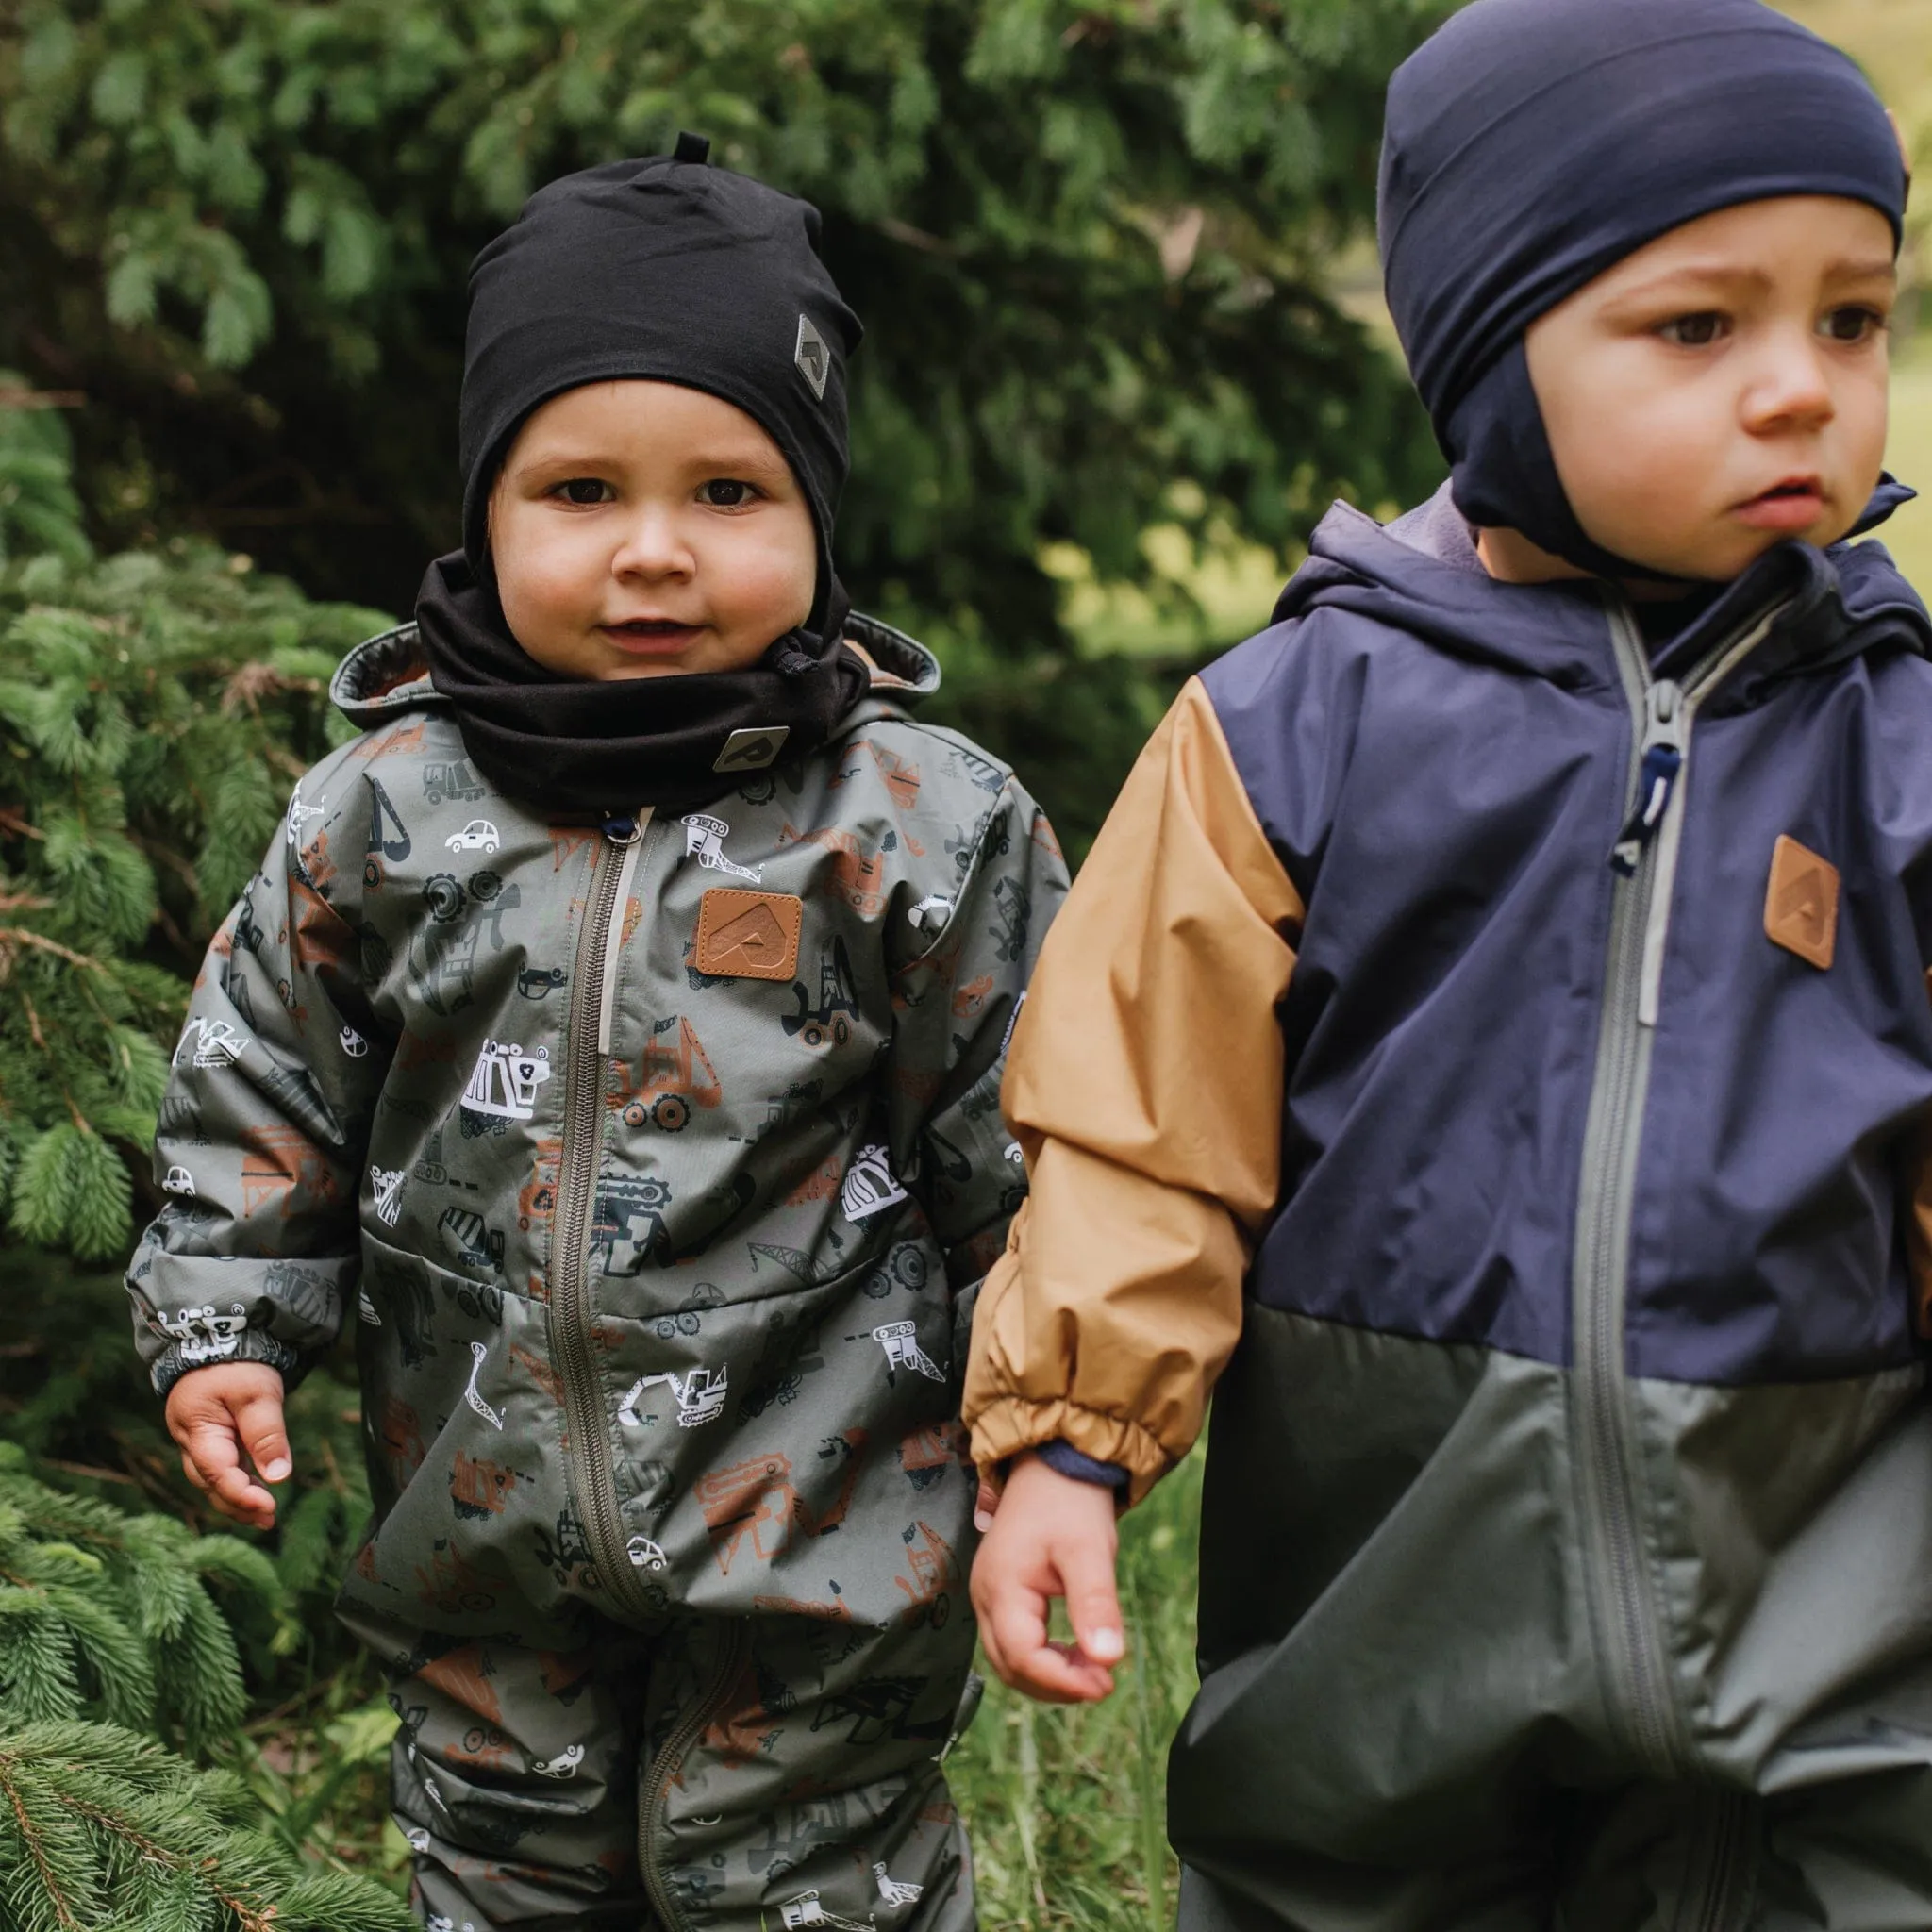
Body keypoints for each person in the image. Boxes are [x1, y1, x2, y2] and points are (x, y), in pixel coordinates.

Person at [964, 0, 1932, 1922]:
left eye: (1849, 318)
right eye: (1696, 326)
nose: (1797, 387)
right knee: (1346, 1877)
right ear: (1494, 360)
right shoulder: (1297, 725)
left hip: (1816, 1552)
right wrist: (1071, 1443)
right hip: (1390, 1563)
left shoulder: (1897, 744)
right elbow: (1140, 1130)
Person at [127, 134, 1066, 1932]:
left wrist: (1048, 1437)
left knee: (801, 1881)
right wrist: (224, 1322)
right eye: (578, 491)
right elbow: (261, 1080)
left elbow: (1027, 1158)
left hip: (822, 1530)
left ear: (816, 517)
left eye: (729, 492)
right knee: (500, 1871)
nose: (653, 553)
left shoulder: (914, 824)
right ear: (485, 506)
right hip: (476, 1521)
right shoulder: (382, 808)